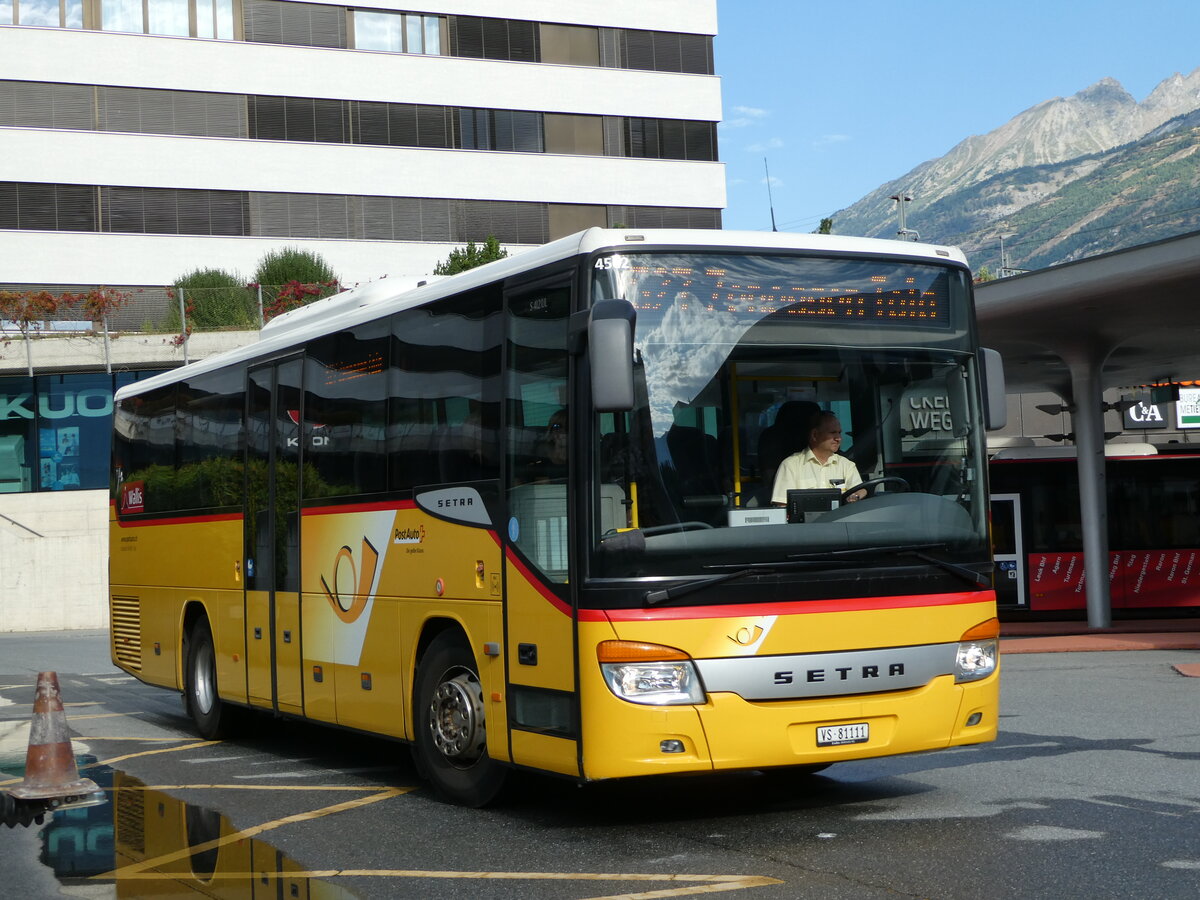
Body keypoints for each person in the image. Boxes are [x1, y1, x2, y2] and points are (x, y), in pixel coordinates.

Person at [771, 410, 863, 504]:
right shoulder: (790, 465)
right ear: (814, 435)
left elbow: (860, 492)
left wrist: (857, 496)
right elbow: (782, 505)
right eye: (833, 433)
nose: (838, 438)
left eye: (839, 432)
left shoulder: (847, 465)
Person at [523, 409, 568, 482]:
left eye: (568, 427)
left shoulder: (585, 459)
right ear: (550, 432)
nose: (562, 431)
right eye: (557, 427)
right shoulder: (539, 461)